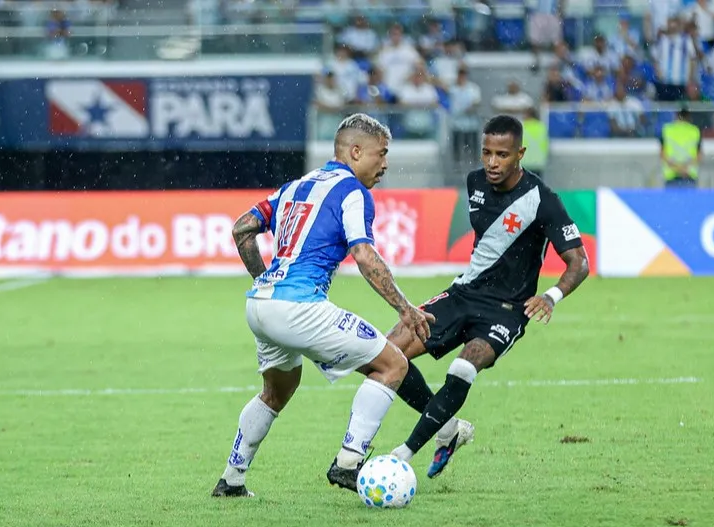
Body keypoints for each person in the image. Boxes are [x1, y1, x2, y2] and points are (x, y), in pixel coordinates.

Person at [211, 113, 434, 497]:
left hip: (261, 305)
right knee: (393, 364)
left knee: (277, 392)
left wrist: (265, 281)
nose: (385, 164)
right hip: (299, 307)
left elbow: (242, 228)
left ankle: (232, 480)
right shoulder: (352, 191)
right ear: (356, 151)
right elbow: (364, 255)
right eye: (381, 155)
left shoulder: (296, 185)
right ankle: (348, 463)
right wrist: (405, 308)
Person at [387, 115, 590, 477]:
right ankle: (448, 430)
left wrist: (551, 295)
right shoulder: (475, 182)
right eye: (487, 153)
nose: (493, 163)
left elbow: (579, 261)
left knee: (463, 367)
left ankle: (401, 457)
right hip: (463, 292)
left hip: (508, 310)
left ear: (520, 153)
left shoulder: (543, 200)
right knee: (386, 354)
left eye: (502, 154)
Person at [660, 106, 702, 188]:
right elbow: (699, 155)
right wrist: (684, 168)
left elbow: (662, 154)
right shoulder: (694, 130)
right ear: (689, 117)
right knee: (690, 200)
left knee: (671, 200)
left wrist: (676, 168)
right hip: (689, 174)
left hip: (671, 174)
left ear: (676, 115)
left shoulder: (667, 129)